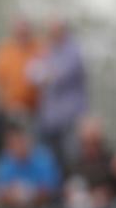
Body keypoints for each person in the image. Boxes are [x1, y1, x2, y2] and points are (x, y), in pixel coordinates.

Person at [27, 19, 88, 169]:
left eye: (56, 30)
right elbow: (31, 73)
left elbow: (58, 75)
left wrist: (45, 72)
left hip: (70, 118)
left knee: (70, 159)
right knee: (49, 159)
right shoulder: (47, 50)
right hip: (49, 119)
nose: (53, 34)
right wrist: (45, 72)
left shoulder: (74, 51)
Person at [0, 16, 42, 118]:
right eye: (19, 31)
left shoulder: (39, 49)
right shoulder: (3, 51)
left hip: (34, 111)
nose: (22, 34)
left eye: (25, 31)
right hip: (8, 110)